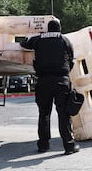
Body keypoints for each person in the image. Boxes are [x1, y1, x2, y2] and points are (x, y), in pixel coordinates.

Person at [20, 20, 79, 155]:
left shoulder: (38, 39)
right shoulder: (65, 40)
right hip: (61, 80)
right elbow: (71, 59)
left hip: (43, 80)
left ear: (47, 29)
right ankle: (69, 146)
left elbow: (24, 43)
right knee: (64, 114)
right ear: (59, 29)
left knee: (44, 114)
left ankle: (43, 145)